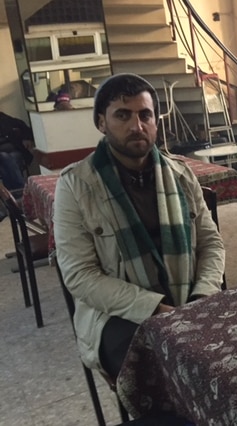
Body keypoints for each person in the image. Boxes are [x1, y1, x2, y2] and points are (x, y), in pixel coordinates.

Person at [53, 73, 226, 379]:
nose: (137, 126)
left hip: (190, 299)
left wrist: (202, 298)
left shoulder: (181, 175)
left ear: (156, 122)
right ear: (101, 123)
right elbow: (80, 275)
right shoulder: (76, 186)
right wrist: (156, 310)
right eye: (123, 115)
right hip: (118, 313)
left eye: (145, 115)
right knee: (163, 370)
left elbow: (211, 243)